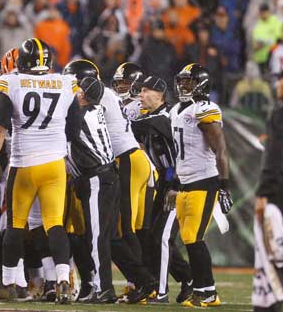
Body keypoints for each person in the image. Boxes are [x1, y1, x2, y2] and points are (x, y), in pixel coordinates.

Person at [0, 38, 76, 304]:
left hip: (24, 164)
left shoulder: (12, 82)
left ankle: (10, 284)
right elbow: (75, 127)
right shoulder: (65, 82)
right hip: (55, 165)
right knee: (54, 225)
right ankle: (61, 280)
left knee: (15, 225)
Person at [64, 59, 157, 303]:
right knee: (112, 236)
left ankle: (102, 288)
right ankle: (145, 280)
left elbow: (65, 131)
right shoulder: (99, 103)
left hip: (103, 172)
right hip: (112, 170)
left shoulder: (84, 110)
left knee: (103, 234)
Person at [169, 63, 232, 307]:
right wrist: (174, 183)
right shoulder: (177, 109)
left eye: (190, 81)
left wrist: (224, 185)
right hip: (185, 181)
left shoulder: (205, 108)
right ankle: (205, 289)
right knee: (188, 237)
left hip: (204, 180)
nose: (184, 85)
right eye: (182, 81)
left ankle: (207, 292)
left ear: (202, 84)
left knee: (194, 237)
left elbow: (221, 149)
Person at [131, 76, 193, 303]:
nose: (140, 95)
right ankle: (189, 279)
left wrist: (174, 184)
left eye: (145, 91)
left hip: (180, 185)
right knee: (152, 236)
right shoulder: (150, 117)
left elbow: (178, 157)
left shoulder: (167, 116)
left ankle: (161, 291)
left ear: (159, 94)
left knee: (161, 237)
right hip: (163, 185)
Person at [64, 75, 117, 303]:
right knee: (95, 236)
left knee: (96, 237)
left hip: (97, 177)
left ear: (83, 95)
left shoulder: (82, 115)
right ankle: (99, 285)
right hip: (102, 176)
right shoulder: (97, 110)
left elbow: (67, 133)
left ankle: (103, 287)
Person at [253, 73, 283, 312]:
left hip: (278, 193)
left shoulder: (279, 112)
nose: (278, 84)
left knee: (272, 256)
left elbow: (274, 154)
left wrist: (264, 192)